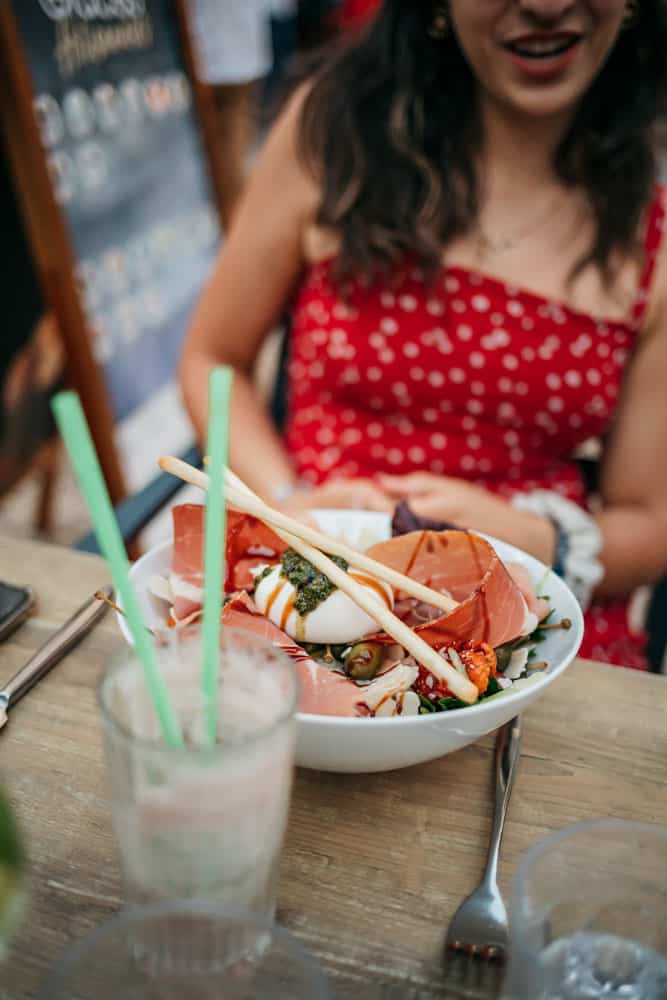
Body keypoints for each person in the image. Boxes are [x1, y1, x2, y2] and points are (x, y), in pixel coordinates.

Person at [180, 0, 667, 671]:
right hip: (315, 576)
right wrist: (290, 508)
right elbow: (214, 358)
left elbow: (648, 522)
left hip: (530, 613)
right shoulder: (334, 134)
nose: (546, 4)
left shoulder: (653, 223)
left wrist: (535, 538)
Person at [187, 0, 274, 227]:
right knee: (234, 148)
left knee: (216, 150)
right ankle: (234, 220)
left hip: (207, 55)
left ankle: (231, 220)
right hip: (233, 55)